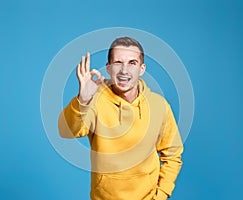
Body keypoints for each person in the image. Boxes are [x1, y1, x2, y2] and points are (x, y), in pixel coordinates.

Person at [58, 37, 183, 200]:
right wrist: (83, 100)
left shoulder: (159, 105)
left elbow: (173, 155)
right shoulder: (94, 100)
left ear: (142, 68)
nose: (124, 70)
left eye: (132, 63)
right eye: (118, 62)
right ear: (108, 68)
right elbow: (66, 131)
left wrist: (161, 195)